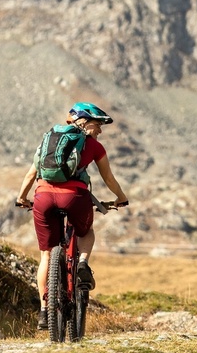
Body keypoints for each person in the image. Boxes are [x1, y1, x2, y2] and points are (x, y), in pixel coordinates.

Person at [16, 102, 129, 330]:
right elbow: (108, 178)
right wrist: (120, 197)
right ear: (85, 122)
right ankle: (83, 264)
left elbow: (31, 173)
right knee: (85, 231)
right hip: (75, 198)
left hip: (43, 198)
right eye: (97, 125)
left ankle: (44, 312)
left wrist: (21, 197)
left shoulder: (49, 140)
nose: (100, 131)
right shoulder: (93, 146)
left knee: (46, 256)